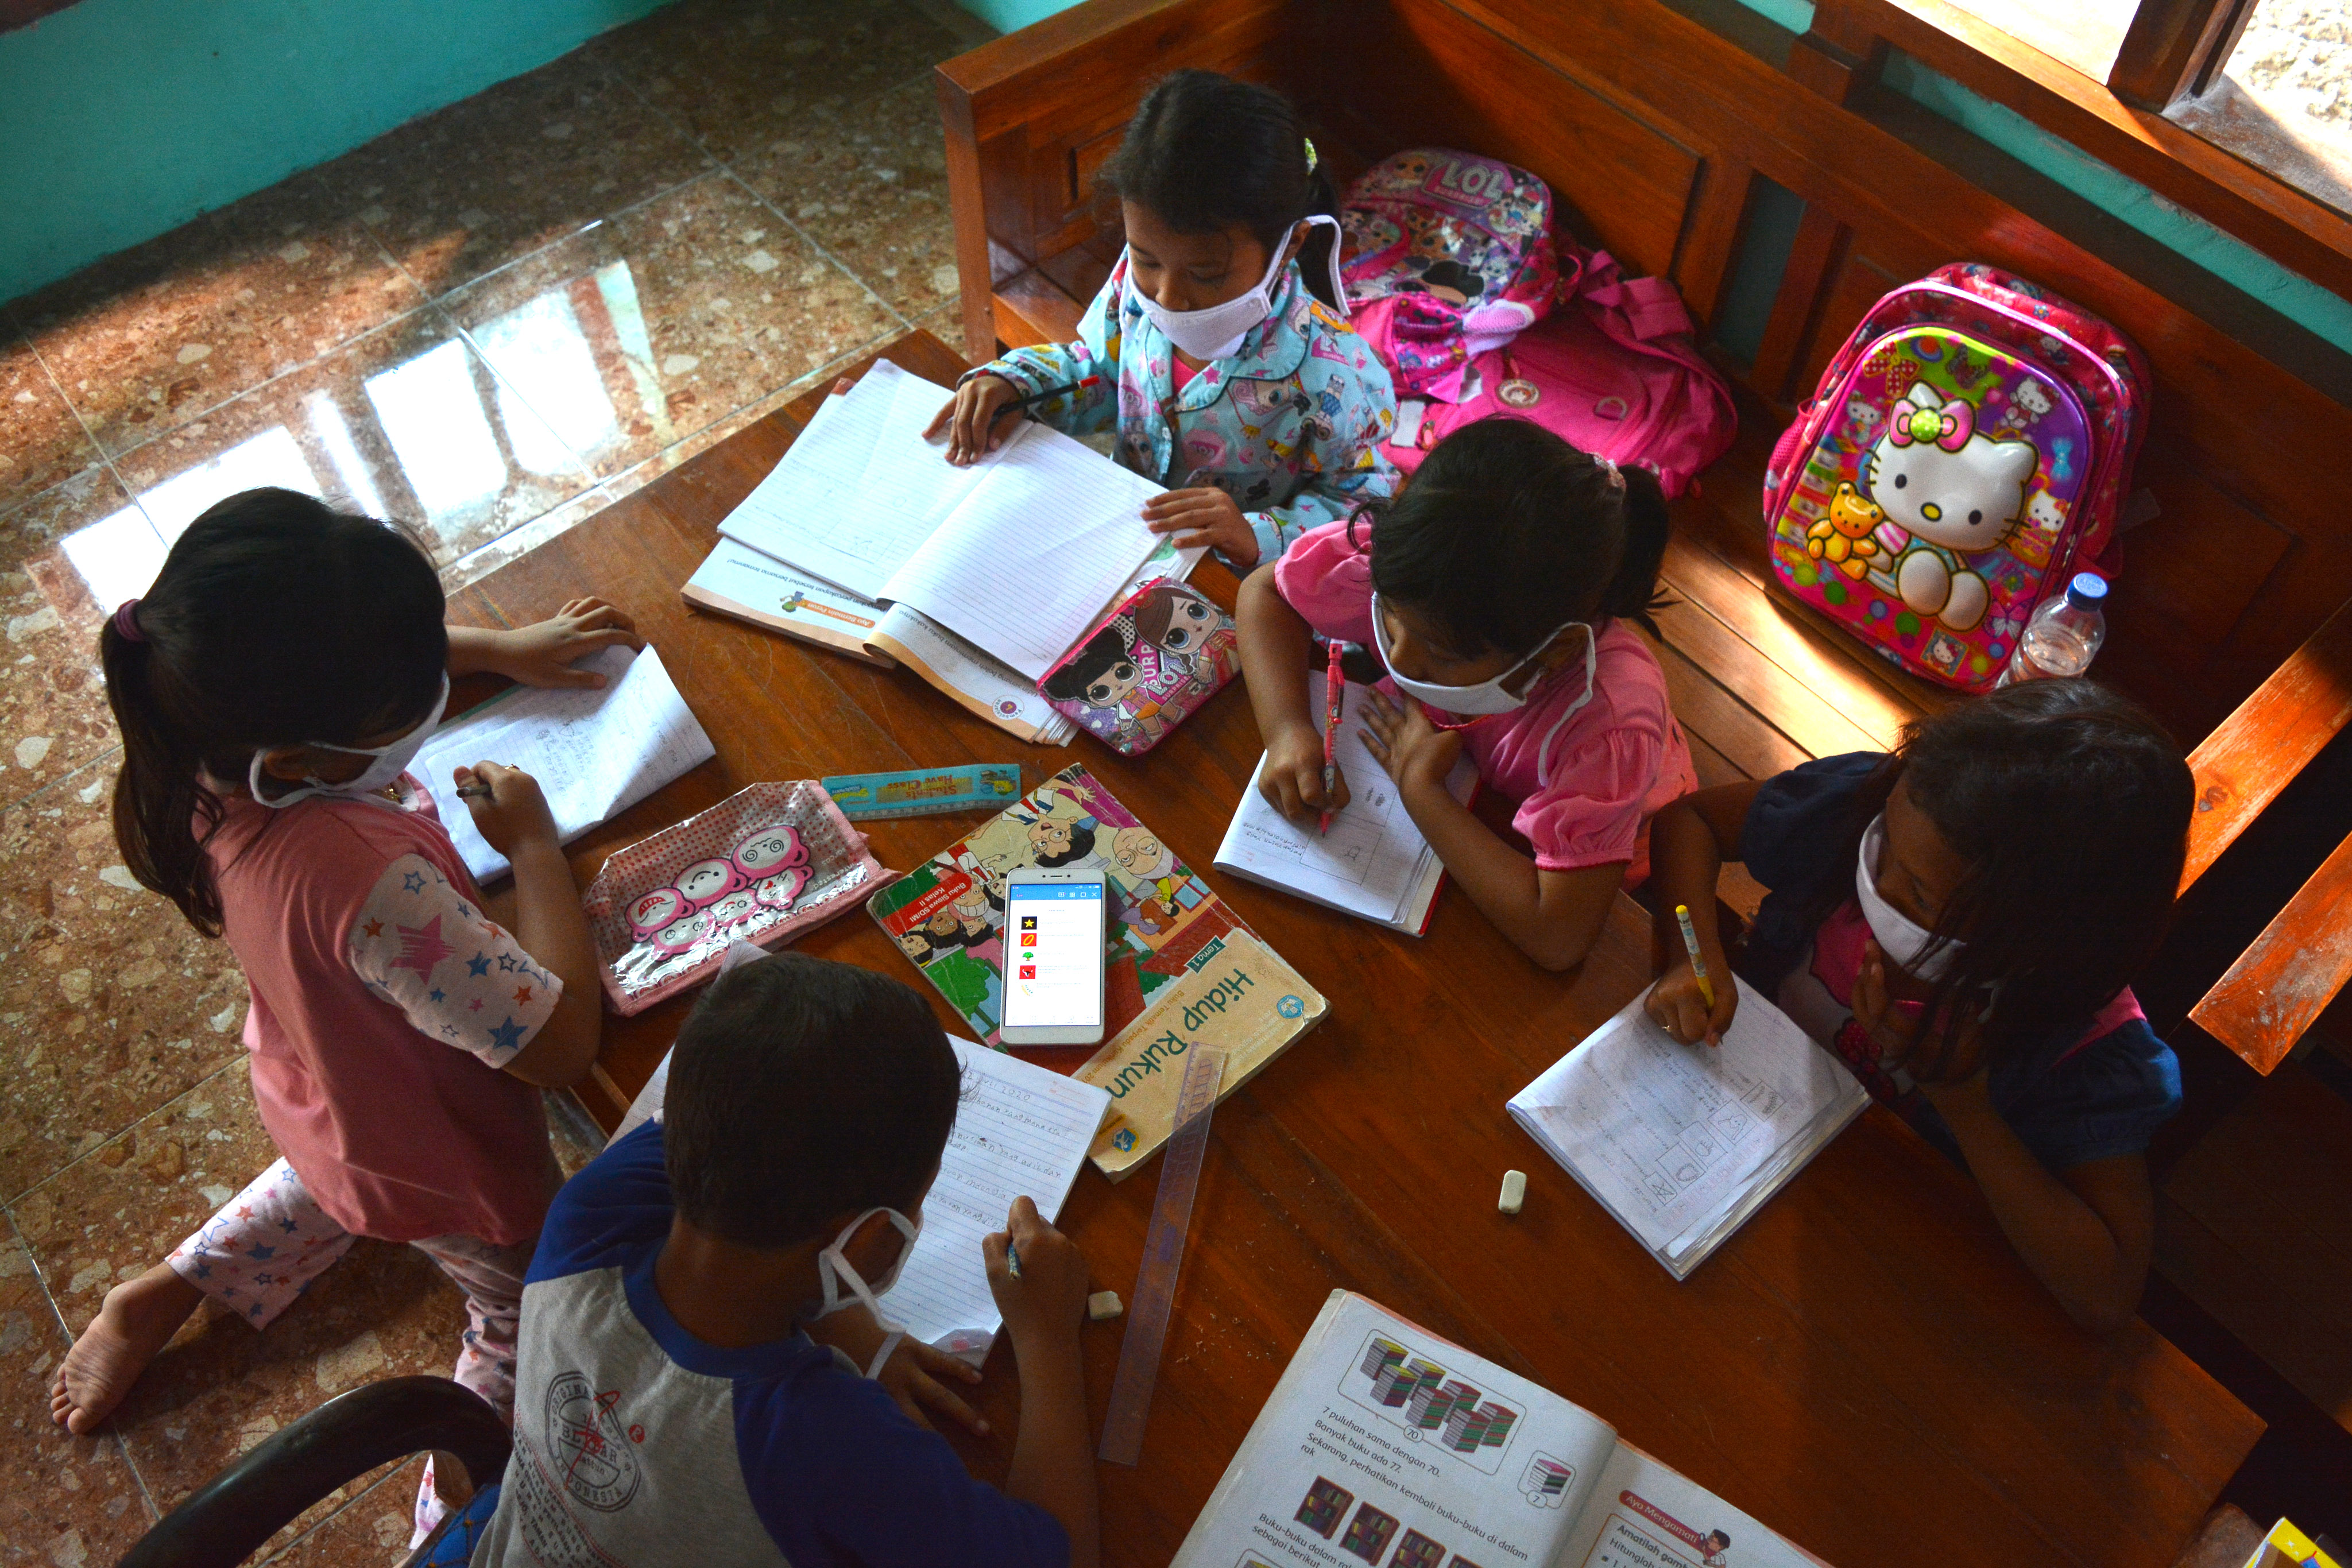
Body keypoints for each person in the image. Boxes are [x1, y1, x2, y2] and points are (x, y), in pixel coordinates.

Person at [53, 490, 631, 1481]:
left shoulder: (197, 738)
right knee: (518, 1307)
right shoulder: (368, 884)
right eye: (408, 695)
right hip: (455, 1155)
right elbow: (563, 1043)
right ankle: (451, 1513)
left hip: (324, 1086)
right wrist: (534, 849)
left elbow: (353, 661)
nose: (427, 696)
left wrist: (496, 646)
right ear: (301, 755)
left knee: (342, 1176)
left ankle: (169, 1285)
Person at [440, 950, 1099, 1568]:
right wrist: (1046, 1339)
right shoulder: (826, 1444)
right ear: (868, 1240)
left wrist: (862, 1335)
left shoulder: (590, 1215)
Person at [1642, 680, 2193, 1333]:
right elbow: (1692, 822)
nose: (1878, 883)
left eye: (1922, 897)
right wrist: (1690, 955)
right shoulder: (1864, 809)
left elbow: (2104, 1292)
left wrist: (1963, 1101)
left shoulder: (2081, 1047)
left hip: (1869, 1252)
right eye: (1885, 849)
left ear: (2040, 939)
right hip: (1724, 1135)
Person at [1236, 419, 1697, 971]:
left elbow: (1559, 935)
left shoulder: (1609, 724)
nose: (1399, 657)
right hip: (1472, 788)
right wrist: (1287, 728)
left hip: (1602, 857)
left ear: (1550, 654)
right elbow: (1265, 591)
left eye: (1440, 655)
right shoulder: (1421, 577)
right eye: (1387, 613)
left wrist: (1421, 789)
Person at [927, 69, 1397, 570]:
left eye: (1206, 273)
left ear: (1290, 247)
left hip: (1236, 581)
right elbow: (1096, 369)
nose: (1170, 297)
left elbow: (1365, 506)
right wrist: (1018, 383)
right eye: (1147, 260)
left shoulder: (1333, 374)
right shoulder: (1132, 290)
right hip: (1121, 539)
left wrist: (1257, 534)